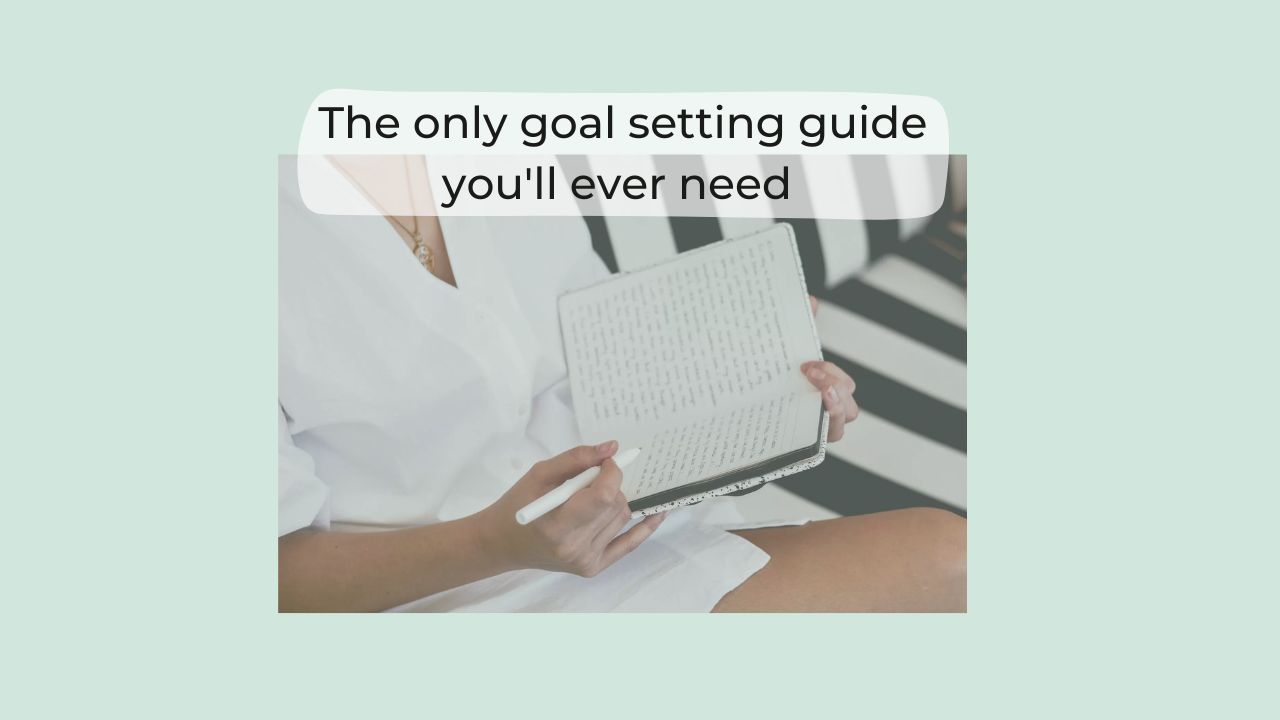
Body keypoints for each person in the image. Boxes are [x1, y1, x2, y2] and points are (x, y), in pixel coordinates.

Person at [277, 155, 965, 612]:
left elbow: (595, 367)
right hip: (445, 596)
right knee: (951, 566)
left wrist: (756, 414)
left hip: (635, 536)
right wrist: (495, 543)